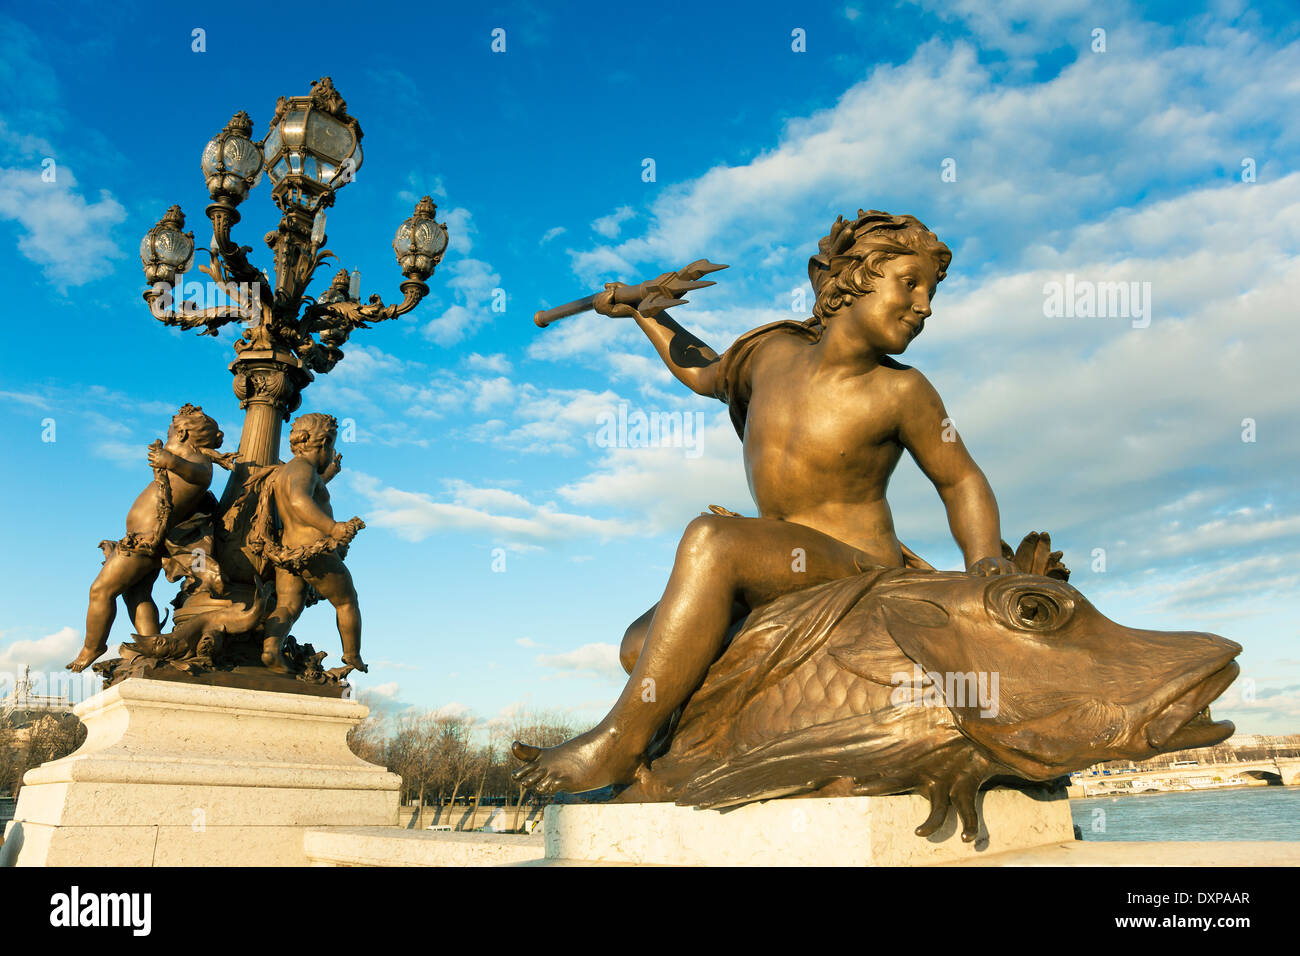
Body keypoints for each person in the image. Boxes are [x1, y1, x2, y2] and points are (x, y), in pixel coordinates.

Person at [513, 209, 1015, 795]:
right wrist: (646, 314)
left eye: (931, 292)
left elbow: (962, 481)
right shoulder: (770, 353)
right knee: (637, 647)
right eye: (910, 283)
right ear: (849, 281)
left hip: (855, 563)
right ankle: (694, 749)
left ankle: (617, 745)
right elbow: (706, 373)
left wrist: (984, 564)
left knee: (712, 539)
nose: (925, 305)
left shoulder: (904, 390)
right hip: (773, 558)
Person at [68, 404, 231, 672]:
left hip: (144, 542)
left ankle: (92, 646)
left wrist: (171, 461)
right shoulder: (185, 463)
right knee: (137, 594)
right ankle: (153, 643)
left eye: (170, 431)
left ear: (181, 434)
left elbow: (199, 476)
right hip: (142, 540)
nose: (166, 436)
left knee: (100, 590)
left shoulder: (199, 465)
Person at [249, 412, 367, 675]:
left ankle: (271, 649)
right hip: (314, 550)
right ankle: (353, 656)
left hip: (288, 552)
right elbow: (300, 500)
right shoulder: (303, 469)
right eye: (332, 444)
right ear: (324, 442)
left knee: (288, 606)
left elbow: (302, 490)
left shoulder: (290, 469)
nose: (332, 450)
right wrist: (332, 528)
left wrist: (327, 476)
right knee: (347, 601)